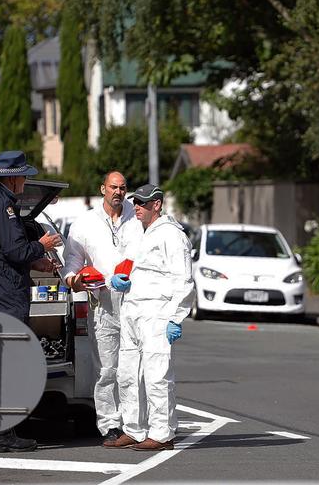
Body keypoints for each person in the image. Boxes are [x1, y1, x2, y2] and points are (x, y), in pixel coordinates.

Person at [0, 150, 63, 453]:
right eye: (24, 176)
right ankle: (2, 433)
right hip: (4, 291)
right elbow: (15, 250)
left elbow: (0, 250)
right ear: (13, 178)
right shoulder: (2, 202)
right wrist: (41, 245)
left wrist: (37, 263)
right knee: (6, 363)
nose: (25, 181)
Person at [105, 184, 194, 451]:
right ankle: (133, 428)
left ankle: (162, 433)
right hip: (132, 309)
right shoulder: (139, 232)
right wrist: (117, 280)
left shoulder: (172, 236)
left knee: (157, 375)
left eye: (143, 203)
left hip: (157, 312)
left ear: (158, 204)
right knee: (128, 373)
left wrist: (175, 317)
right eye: (136, 203)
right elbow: (133, 267)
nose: (138, 207)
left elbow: (184, 279)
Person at [62, 171, 143, 445]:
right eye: (113, 187)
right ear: (102, 189)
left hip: (137, 299)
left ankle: (137, 422)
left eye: (122, 188)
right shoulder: (85, 224)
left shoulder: (138, 217)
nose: (118, 192)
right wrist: (74, 280)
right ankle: (110, 424)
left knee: (136, 365)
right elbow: (72, 263)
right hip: (104, 300)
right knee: (107, 368)